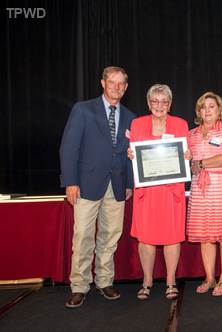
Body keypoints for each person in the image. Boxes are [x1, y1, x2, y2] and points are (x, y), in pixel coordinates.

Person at [59, 66, 136, 308]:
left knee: (110, 236)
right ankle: (79, 286)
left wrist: (129, 183)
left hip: (117, 185)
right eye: (112, 82)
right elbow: (68, 148)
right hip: (86, 185)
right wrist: (70, 181)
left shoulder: (130, 117)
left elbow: (130, 154)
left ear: (125, 87)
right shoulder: (83, 109)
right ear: (102, 83)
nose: (116, 87)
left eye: (121, 83)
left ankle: (104, 281)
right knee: (82, 237)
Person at [128, 84, 189, 300]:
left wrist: (187, 156)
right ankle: (147, 281)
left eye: (164, 102)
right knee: (146, 238)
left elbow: (184, 153)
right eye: (155, 101)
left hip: (171, 191)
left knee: (172, 237)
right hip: (147, 192)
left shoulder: (180, 124)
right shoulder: (137, 124)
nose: (159, 106)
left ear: (170, 104)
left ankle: (171, 281)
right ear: (148, 103)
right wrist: (132, 154)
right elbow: (135, 153)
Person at [187, 91, 222, 297]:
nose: (208, 110)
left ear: (219, 109)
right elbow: (184, 159)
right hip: (199, 190)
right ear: (199, 111)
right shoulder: (191, 133)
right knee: (205, 236)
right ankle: (210, 277)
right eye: (204, 107)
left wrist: (201, 163)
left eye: (212, 106)